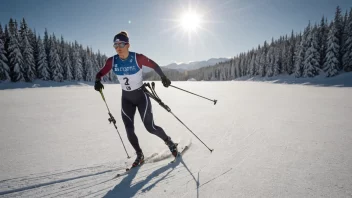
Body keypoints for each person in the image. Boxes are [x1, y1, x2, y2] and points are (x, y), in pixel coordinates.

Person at [94, 31, 177, 167]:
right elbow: (101, 72)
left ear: (128, 45)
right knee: (129, 129)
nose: (118, 47)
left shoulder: (138, 58)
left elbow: (154, 65)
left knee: (150, 127)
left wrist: (163, 77)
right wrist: (98, 80)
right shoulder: (112, 61)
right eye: (115, 45)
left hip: (141, 96)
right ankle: (139, 154)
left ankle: (169, 142)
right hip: (126, 99)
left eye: (121, 44)